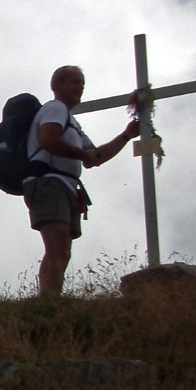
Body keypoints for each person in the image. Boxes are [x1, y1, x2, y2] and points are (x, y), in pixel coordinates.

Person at [25, 65, 139, 298]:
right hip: (48, 182)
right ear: (57, 85)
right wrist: (81, 155)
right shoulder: (55, 109)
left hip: (64, 186)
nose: (81, 87)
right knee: (57, 249)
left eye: (82, 83)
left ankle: (50, 300)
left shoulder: (72, 122)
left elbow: (95, 157)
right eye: (75, 82)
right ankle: (47, 302)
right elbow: (48, 140)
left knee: (62, 251)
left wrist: (126, 135)